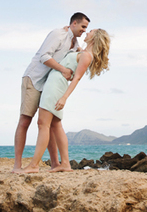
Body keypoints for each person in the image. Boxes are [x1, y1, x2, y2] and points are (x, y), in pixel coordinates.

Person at [17, 28, 111, 173]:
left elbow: (77, 78)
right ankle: (65, 163)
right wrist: (68, 31)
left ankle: (34, 165)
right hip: (54, 84)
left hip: (55, 87)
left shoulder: (87, 56)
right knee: (55, 125)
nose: (87, 32)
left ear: (95, 37)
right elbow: (73, 45)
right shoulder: (82, 51)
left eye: (90, 31)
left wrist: (64, 97)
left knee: (43, 124)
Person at [12, 12, 90, 173]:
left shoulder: (74, 42)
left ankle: (55, 163)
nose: (84, 30)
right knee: (25, 120)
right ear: (73, 23)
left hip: (49, 85)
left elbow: (82, 54)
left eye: (86, 28)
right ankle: (17, 165)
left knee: (49, 123)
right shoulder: (58, 34)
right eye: (83, 27)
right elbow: (44, 56)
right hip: (34, 79)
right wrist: (63, 69)